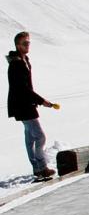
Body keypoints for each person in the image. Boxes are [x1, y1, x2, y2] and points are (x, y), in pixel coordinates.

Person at [6, 32, 58, 181]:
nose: (27, 45)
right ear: (17, 45)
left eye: (28, 43)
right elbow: (23, 89)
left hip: (25, 104)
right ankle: (41, 167)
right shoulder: (16, 63)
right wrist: (42, 101)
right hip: (22, 105)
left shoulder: (24, 60)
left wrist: (36, 101)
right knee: (39, 136)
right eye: (24, 43)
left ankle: (37, 168)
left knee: (30, 137)